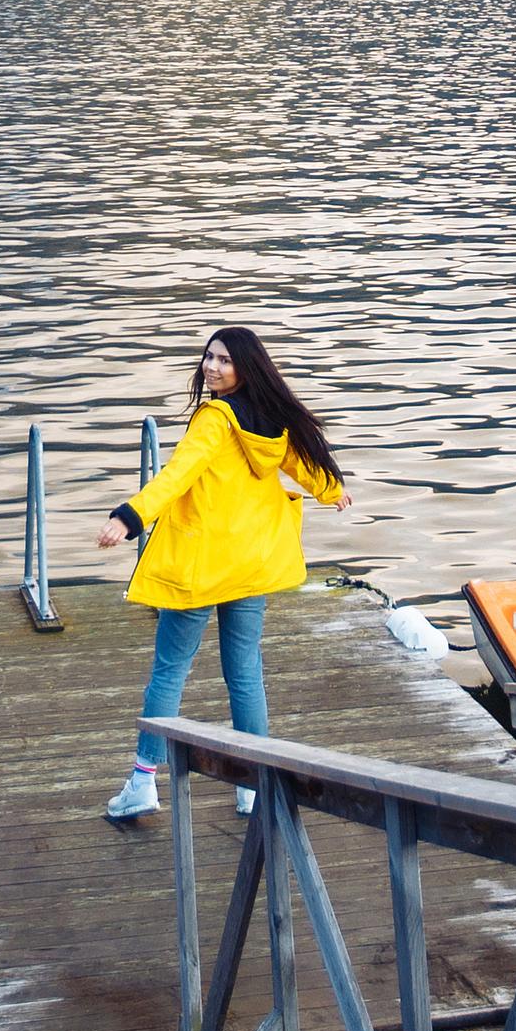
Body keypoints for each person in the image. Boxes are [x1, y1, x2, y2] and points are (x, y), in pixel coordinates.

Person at [94, 326, 348, 822]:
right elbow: (301, 463)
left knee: (170, 670)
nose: (212, 367)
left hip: (202, 567)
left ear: (245, 368)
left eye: (225, 360)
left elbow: (177, 474)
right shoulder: (271, 420)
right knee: (245, 672)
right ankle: (253, 784)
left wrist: (130, 516)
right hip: (249, 565)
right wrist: (330, 488)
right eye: (209, 357)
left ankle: (143, 781)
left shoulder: (216, 418)